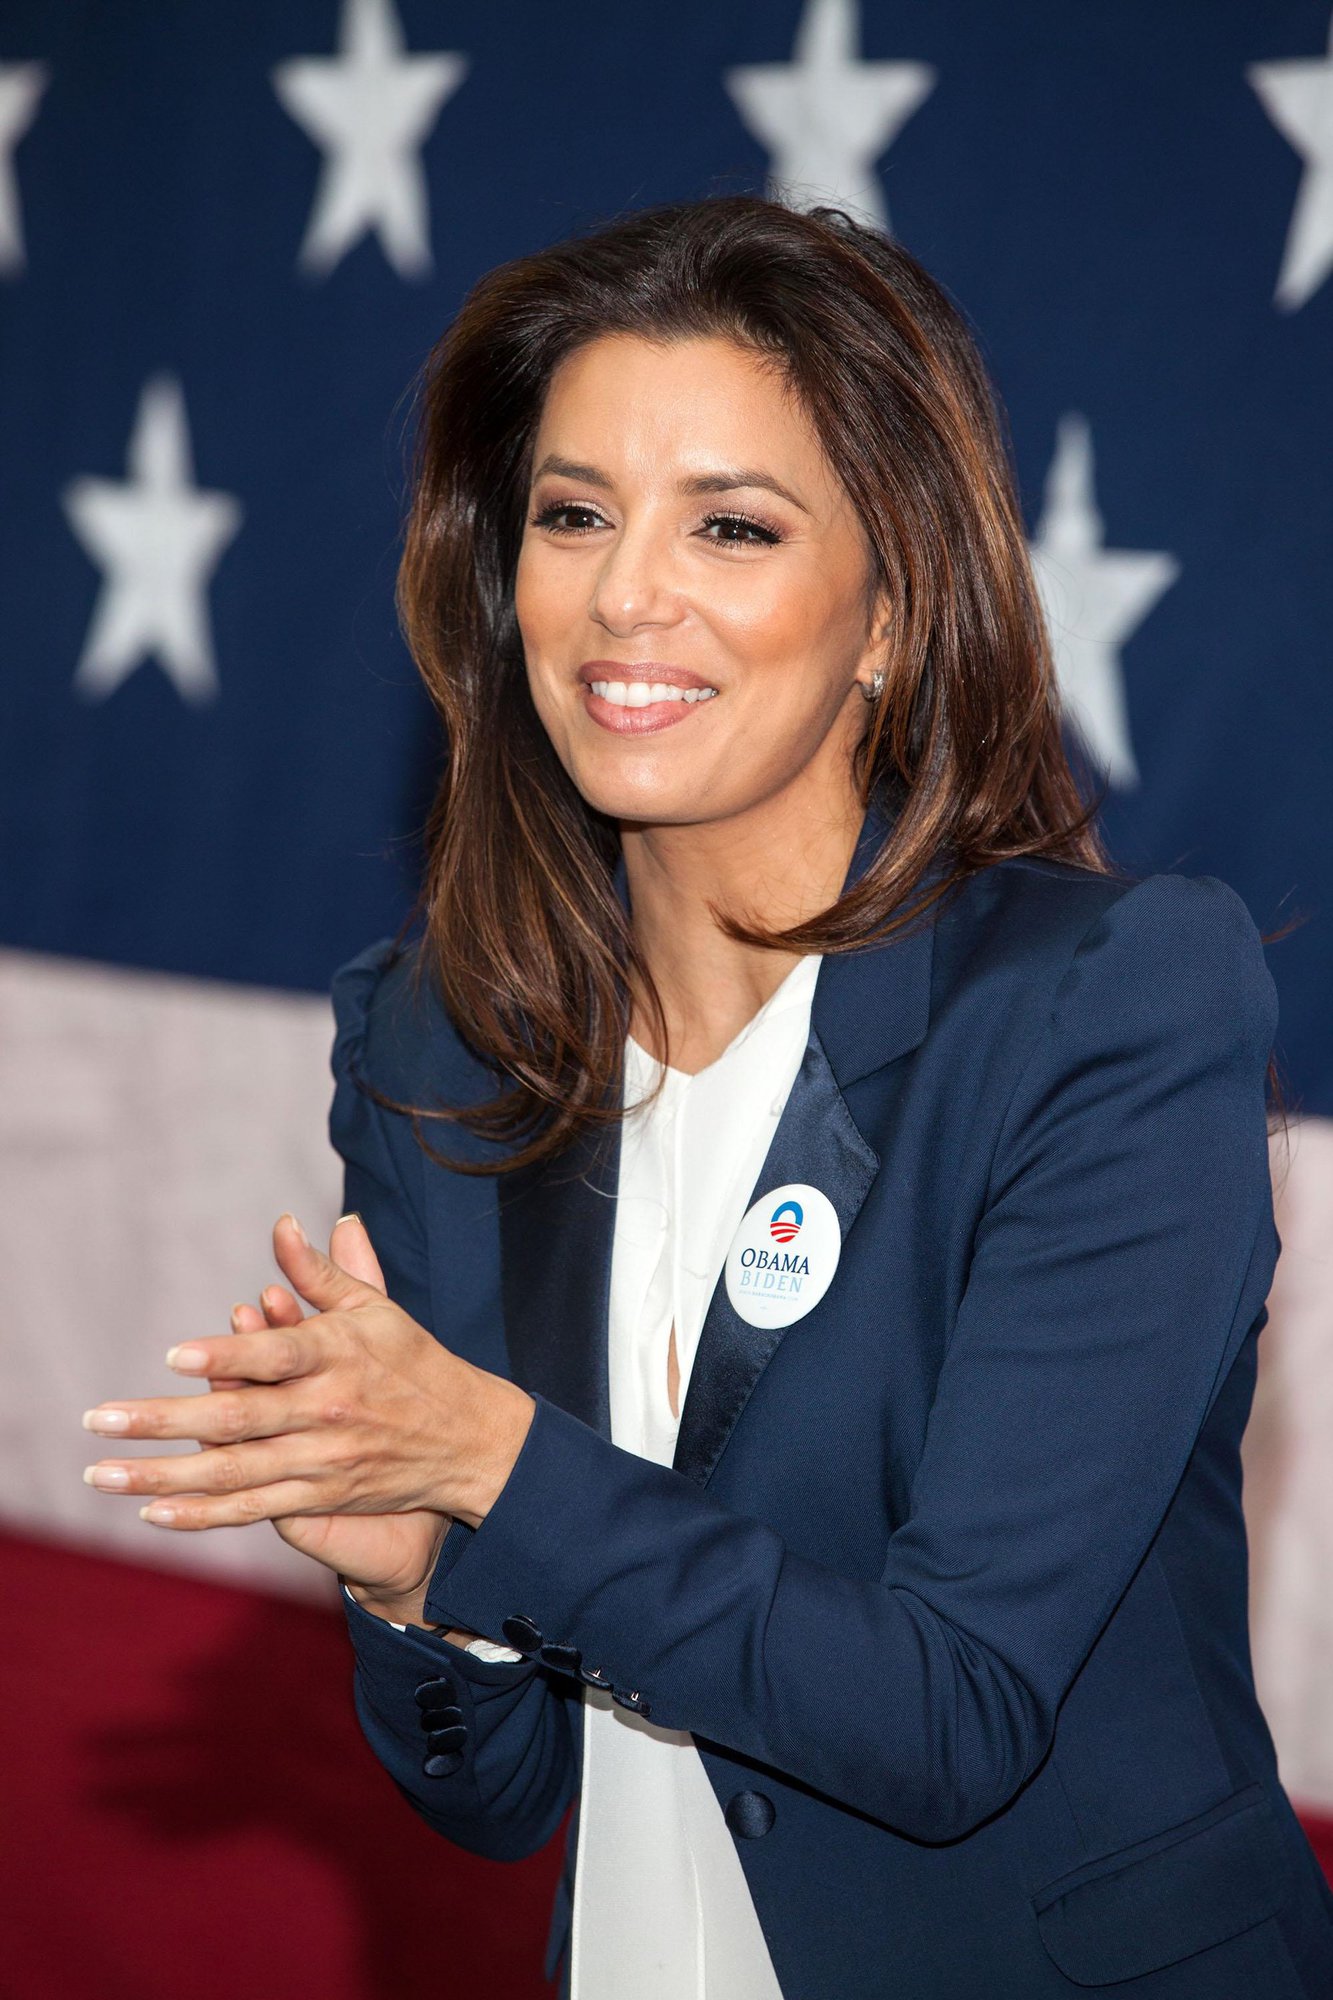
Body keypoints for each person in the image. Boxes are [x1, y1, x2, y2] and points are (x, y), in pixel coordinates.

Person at [80, 194, 1333, 1999]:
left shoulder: (1104, 1005)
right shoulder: (435, 1040)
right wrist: (413, 1583)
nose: (623, 594)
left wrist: (491, 1466)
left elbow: (946, 1718)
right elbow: (497, 1801)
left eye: (730, 526)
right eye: (571, 515)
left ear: (891, 607)